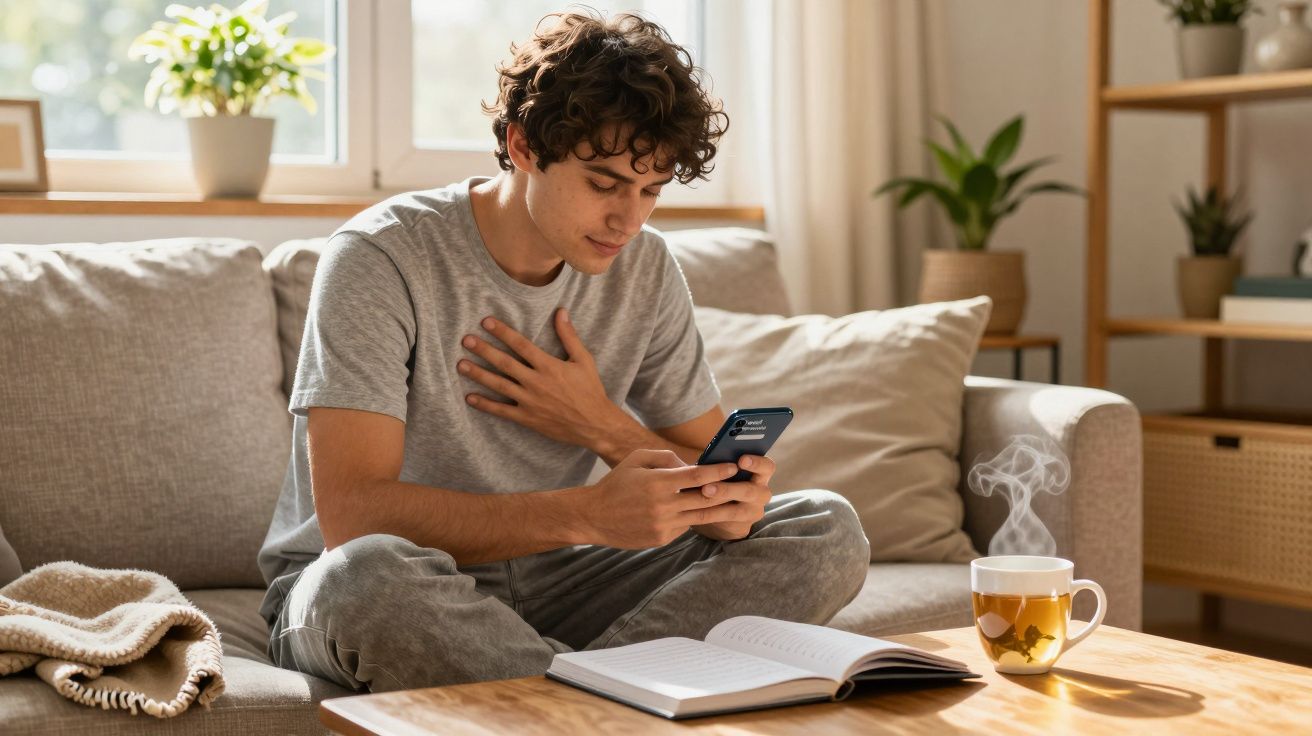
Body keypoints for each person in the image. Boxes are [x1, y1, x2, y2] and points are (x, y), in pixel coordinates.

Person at [257, 9, 869, 693]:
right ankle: (610, 697)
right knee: (362, 579)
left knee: (825, 529)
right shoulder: (380, 256)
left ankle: (569, 695)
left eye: (651, 191)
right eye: (604, 184)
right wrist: (586, 513)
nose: (628, 219)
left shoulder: (645, 268)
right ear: (522, 145)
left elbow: (713, 483)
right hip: (400, 583)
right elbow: (353, 518)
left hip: (567, 577)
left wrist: (602, 427)